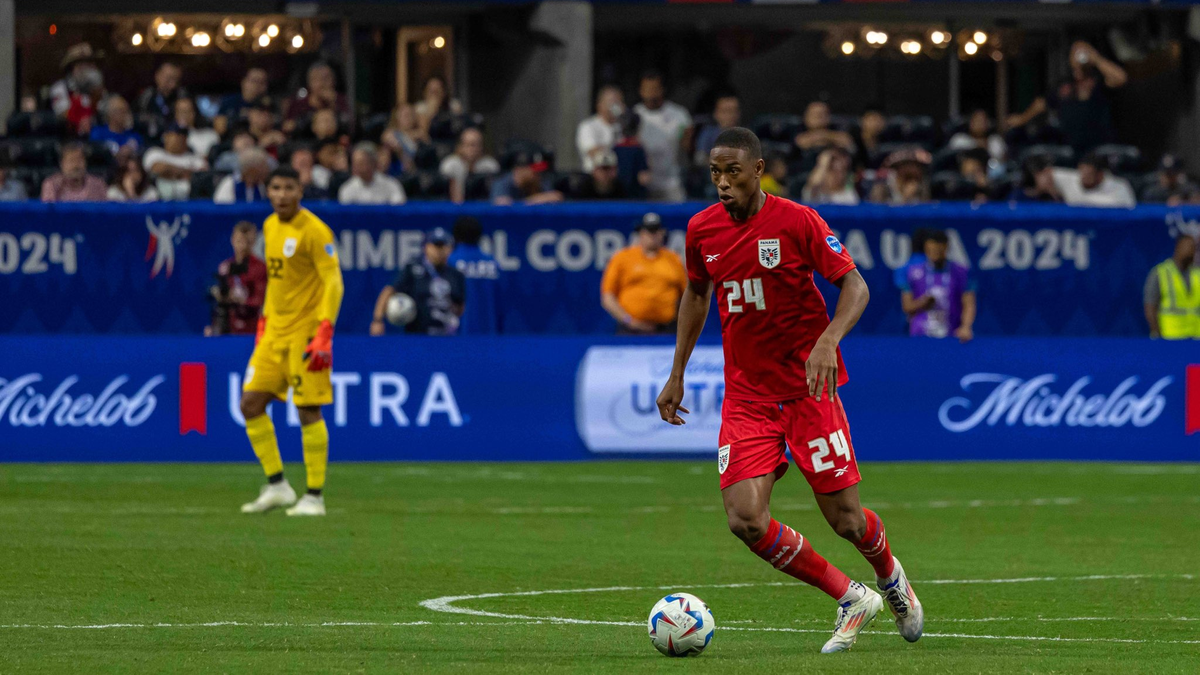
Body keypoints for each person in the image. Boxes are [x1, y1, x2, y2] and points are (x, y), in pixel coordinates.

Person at [655, 127, 922, 655]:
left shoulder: (798, 221)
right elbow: (696, 292)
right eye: (714, 173)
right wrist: (677, 370)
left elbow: (856, 286)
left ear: (758, 170)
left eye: (733, 172)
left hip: (808, 390)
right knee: (746, 521)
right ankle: (851, 597)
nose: (723, 183)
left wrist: (828, 340)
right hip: (748, 398)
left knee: (847, 520)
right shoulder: (701, 231)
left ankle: (890, 576)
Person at [239, 166, 344, 517]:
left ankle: (314, 496)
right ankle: (277, 486)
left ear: (301, 191)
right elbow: (275, 281)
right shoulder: (269, 226)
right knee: (250, 404)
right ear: (267, 191)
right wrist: (264, 323)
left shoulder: (315, 230)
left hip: (306, 333)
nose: (282, 195)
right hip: (274, 333)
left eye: (289, 188)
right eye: (275, 188)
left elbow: (333, 281)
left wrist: (325, 331)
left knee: (307, 410)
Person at [1007, 41, 1127, 156]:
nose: (1078, 54)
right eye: (1075, 52)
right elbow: (1041, 103)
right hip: (1071, 149)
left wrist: (1095, 58)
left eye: (1082, 51)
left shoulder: (1098, 83)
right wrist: (1022, 119)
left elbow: (1120, 78)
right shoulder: (1065, 86)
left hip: (1100, 149)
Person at [600, 213, 687, 334]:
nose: (652, 235)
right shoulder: (623, 258)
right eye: (648, 231)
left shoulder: (674, 259)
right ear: (640, 233)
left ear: (663, 233)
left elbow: (688, 295)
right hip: (630, 330)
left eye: (656, 230)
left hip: (666, 329)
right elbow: (608, 297)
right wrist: (627, 320)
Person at [371, 227, 466, 336]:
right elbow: (389, 291)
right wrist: (377, 320)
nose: (439, 250)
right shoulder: (413, 269)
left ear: (450, 249)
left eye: (443, 246)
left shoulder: (455, 274)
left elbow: (460, 307)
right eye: (436, 245)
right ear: (426, 247)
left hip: (446, 335)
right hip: (417, 334)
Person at [900, 230, 976, 342]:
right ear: (925, 248)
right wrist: (923, 302)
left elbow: (969, 304)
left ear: (946, 247)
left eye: (937, 251)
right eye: (930, 250)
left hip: (951, 334)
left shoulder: (961, 272)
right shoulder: (912, 273)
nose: (934, 254)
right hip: (920, 335)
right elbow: (907, 306)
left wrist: (966, 327)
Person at [634, 71, 692, 202]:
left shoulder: (679, 115)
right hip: (643, 182)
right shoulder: (634, 115)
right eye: (647, 89)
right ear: (641, 91)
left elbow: (687, 148)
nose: (651, 94)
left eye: (654, 89)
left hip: (671, 181)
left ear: (662, 89)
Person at [206, 221, 267, 336]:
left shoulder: (260, 268)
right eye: (239, 241)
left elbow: (261, 301)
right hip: (229, 328)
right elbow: (219, 303)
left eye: (247, 242)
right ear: (232, 240)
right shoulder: (225, 266)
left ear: (254, 242)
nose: (243, 246)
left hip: (252, 328)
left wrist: (240, 300)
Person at [447, 216, 502, 335]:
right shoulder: (493, 263)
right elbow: (501, 304)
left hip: (459, 337)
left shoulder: (450, 262)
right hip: (490, 335)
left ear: (455, 236)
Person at [1144, 235, 1199, 340]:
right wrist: (1156, 332)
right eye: (1188, 246)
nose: (1191, 251)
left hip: (1196, 338)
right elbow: (1150, 306)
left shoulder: (1197, 274)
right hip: (1170, 336)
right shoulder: (1160, 273)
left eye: (1194, 248)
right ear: (1178, 247)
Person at [49, 43, 106, 136]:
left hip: (95, 137)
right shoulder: (60, 88)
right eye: (81, 63)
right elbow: (63, 115)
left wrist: (96, 98)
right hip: (68, 138)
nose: (87, 67)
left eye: (89, 63)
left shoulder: (98, 89)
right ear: (73, 67)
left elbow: (104, 113)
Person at [284, 62, 354, 134]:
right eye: (316, 79)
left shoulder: (342, 100)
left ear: (334, 80)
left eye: (326, 78)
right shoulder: (298, 105)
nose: (321, 83)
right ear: (309, 83)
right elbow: (287, 127)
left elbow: (351, 125)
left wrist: (334, 104)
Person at [143, 123, 208, 201]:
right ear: (166, 136)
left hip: (189, 201)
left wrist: (170, 173)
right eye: (177, 134)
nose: (181, 137)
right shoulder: (155, 152)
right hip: (159, 201)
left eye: (184, 134)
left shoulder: (196, 158)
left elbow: (202, 177)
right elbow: (157, 169)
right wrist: (186, 172)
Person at [1052, 153, 1136, 208]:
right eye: (1081, 172)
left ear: (1100, 175)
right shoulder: (1072, 178)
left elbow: (1128, 212)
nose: (1083, 177)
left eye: (1088, 174)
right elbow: (1046, 173)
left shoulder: (1119, 187)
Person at [440, 127, 500, 203]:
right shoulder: (450, 164)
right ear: (460, 146)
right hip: (455, 209)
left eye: (476, 145)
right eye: (469, 145)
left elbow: (494, 195)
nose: (472, 149)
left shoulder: (490, 165)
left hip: (482, 208)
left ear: (481, 147)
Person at [338, 142, 406, 205]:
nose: (356, 167)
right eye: (354, 163)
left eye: (360, 163)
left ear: (373, 162)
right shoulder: (347, 188)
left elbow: (398, 209)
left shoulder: (392, 185)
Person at [577, 85, 625, 172]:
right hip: (594, 178)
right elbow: (595, 153)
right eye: (611, 102)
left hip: (619, 179)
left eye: (618, 102)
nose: (614, 106)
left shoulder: (623, 126)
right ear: (600, 104)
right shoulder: (588, 126)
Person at [41, 142, 106, 202]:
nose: (76, 165)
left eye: (79, 160)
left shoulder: (98, 185)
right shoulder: (51, 184)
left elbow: (105, 211)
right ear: (62, 164)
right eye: (71, 160)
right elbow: (48, 212)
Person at [490, 152, 563, 205]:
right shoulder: (502, 183)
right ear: (519, 169)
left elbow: (555, 197)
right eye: (534, 170)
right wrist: (535, 200)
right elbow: (502, 205)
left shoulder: (540, 181)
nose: (538, 174)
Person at [136, 62, 187, 135]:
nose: (173, 85)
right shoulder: (147, 96)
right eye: (169, 79)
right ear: (158, 76)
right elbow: (137, 118)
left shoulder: (182, 96)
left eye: (176, 80)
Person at [215, 67, 269, 136]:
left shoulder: (269, 104)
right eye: (254, 81)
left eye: (262, 82)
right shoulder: (229, 101)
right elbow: (219, 128)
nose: (257, 85)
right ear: (244, 82)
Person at [89, 94, 143, 160]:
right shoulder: (98, 133)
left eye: (127, 110)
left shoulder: (134, 135)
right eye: (121, 111)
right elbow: (94, 153)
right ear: (110, 114)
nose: (126, 115)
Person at [693, 94, 741, 166]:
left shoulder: (746, 134)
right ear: (716, 114)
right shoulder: (708, 133)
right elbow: (699, 158)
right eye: (726, 111)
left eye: (734, 111)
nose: (731, 115)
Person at [381, 103, 429, 175]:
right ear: (397, 117)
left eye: (411, 115)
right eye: (405, 115)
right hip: (399, 171)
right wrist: (409, 136)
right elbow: (393, 145)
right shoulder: (391, 133)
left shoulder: (420, 135)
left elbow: (428, 149)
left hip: (419, 170)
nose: (408, 119)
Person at [614, 110, 651, 199]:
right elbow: (644, 177)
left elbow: (643, 176)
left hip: (629, 193)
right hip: (627, 193)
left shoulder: (616, 148)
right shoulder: (638, 149)